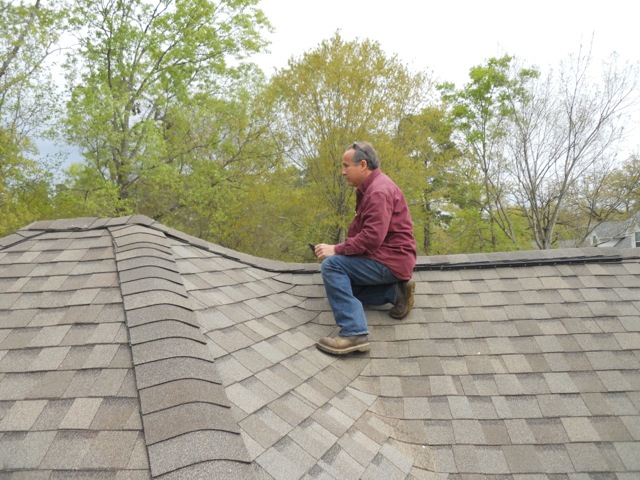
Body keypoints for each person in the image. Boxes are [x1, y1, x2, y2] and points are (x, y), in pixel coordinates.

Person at [313, 141, 416, 355]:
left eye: (345, 166)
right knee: (342, 288)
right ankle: (394, 293)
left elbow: (371, 238)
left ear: (362, 165)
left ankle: (354, 333)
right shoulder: (371, 188)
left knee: (332, 268)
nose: (342, 172)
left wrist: (337, 250)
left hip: (389, 260)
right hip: (388, 259)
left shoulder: (378, 192)